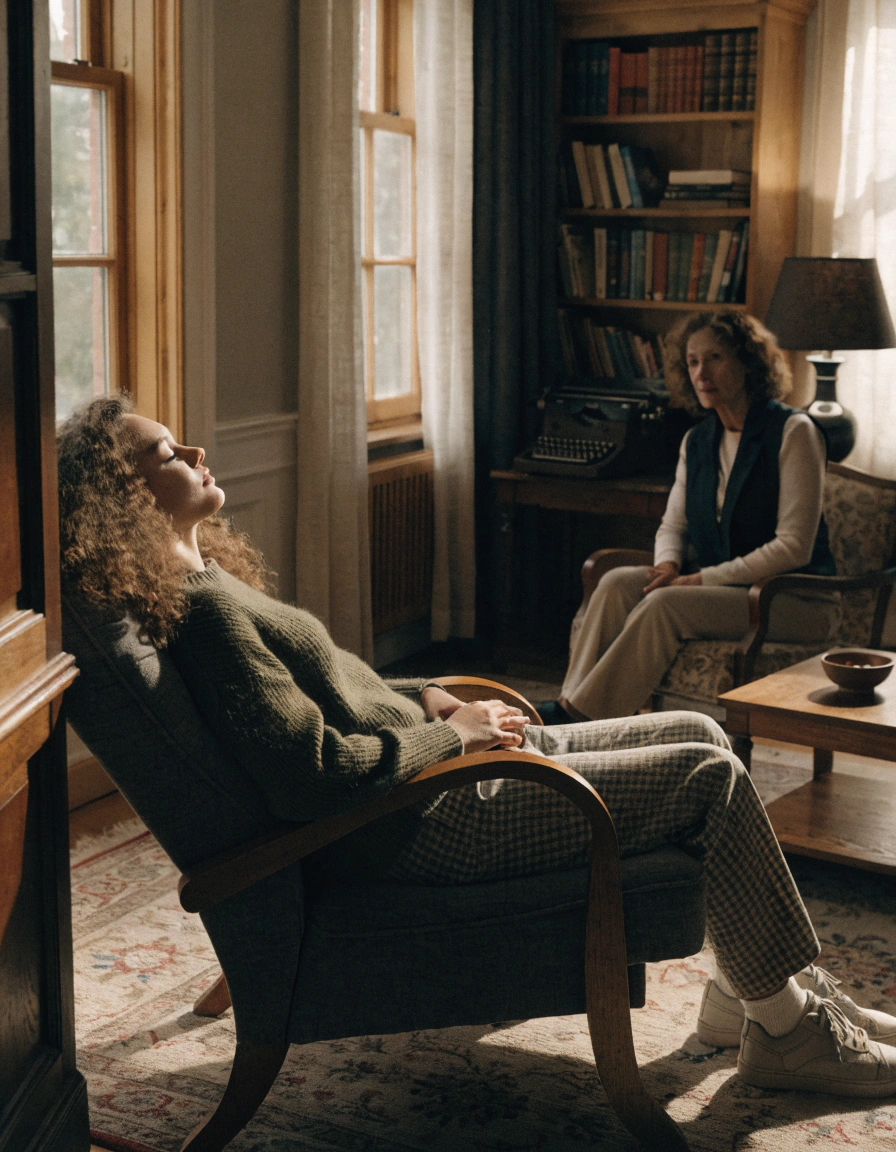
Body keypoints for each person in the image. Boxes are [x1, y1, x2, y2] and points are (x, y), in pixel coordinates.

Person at [56, 394, 896, 1097]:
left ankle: (753, 993)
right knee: (708, 774)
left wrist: (424, 694)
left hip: (428, 785)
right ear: (128, 499)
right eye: (167, 453)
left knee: (699, 728)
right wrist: (451, 736)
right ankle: (787, 1032)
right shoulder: (205, 615)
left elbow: (335, 689)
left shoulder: (211, 583)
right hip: (421, 822)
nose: (196, 451)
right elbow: (311, 776)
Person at [554, 311, 841, 724]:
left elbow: (793, 548)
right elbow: (673, 525)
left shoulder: (794, 432)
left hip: (794, 600)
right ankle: (567, 705)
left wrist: (700, 579)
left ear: (748, 363)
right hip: (728, 591)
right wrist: (668, 564)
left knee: (665, 604)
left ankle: (577, 722)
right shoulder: (697, 440)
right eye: (692, 362)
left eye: (715, 358)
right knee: (615, 582)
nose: (701, 373)